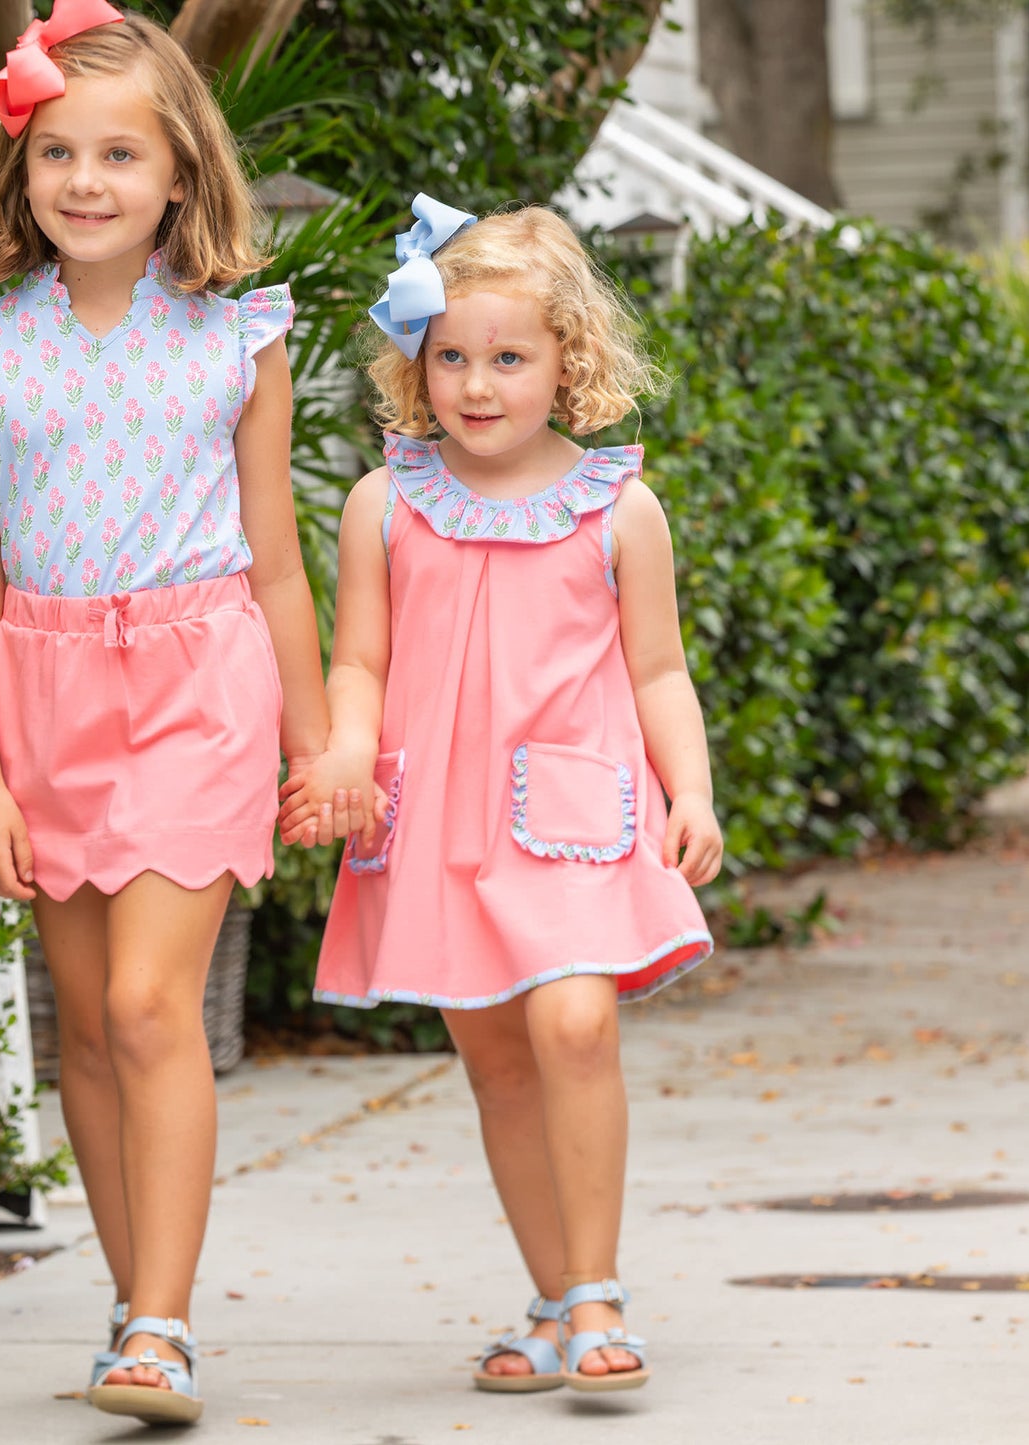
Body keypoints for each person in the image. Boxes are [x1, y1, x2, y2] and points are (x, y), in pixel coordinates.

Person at [0, 1, 328, 1425]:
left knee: (154, 1002)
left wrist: (319, 739)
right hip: (41, 694)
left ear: (178, 176)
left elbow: (276, 558)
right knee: (86, 1025)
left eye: (119, 155)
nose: (84, 182)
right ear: (17, 176)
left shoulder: (239, 340)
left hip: (197, 678)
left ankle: (162, 1323)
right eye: (56, 155)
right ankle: (130, 1290)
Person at [280, 195, 723, 1394]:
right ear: (417, 363)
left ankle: (595, 1290)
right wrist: (346, 755)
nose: (476, 383)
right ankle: (548, 1294)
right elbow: (358, 659)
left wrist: (689, 787)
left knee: (573, 1025)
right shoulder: (383, 501)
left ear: (566, 362)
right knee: (495, 1059)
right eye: (452, 355)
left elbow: (657, 668)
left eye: (508, 357)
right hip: (437, 826)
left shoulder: (617, 507)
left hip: (573, 817)